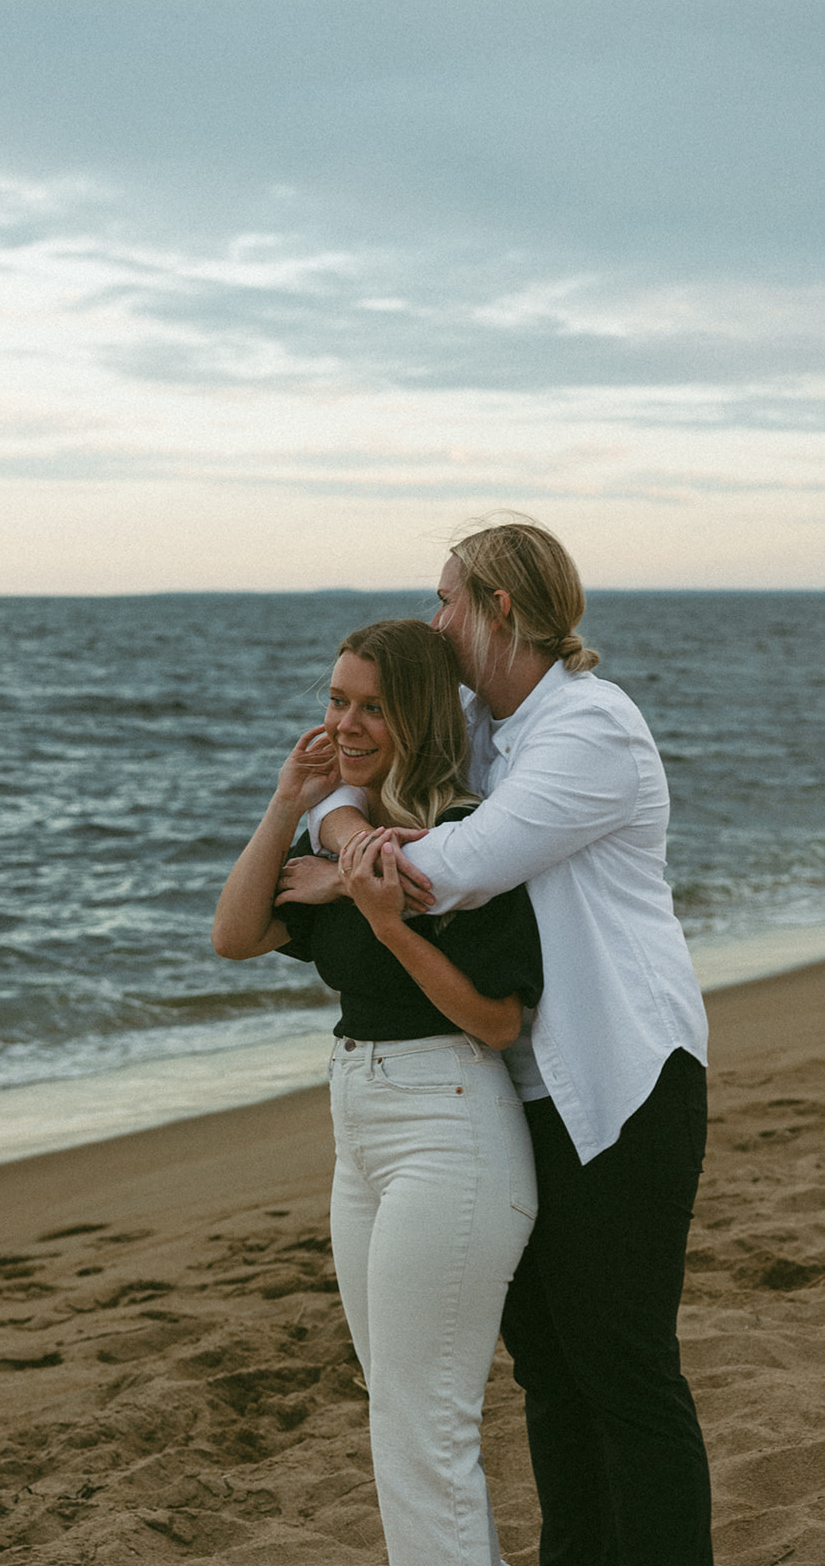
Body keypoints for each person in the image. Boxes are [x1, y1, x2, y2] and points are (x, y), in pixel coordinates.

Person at [293, 524, 713, 1566]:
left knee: (621, 1364)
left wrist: (362, 868)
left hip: (623, 1084)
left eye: (446, 602)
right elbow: (355, 788)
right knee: (549, 1369)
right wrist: (351, 843)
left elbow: (460, 865)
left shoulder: (589, 728)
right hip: (520, 1091)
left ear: (501, 611)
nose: (434, 622)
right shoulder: (486, 725)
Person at [213, 618, 543, 1566]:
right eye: (335, 700)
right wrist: (290, 801)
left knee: (423, 1425)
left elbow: (495, 1021)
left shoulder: (462, 840)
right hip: (359, 1127)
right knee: (396, 1407)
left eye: (371, 706)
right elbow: (235, 937)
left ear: (420, 714)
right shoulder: (338, 840)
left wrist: (381, 915)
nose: (346, 723)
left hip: (449, 1129)